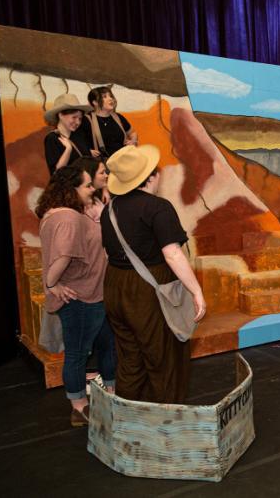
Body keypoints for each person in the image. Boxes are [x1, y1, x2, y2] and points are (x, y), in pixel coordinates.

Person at [100, 145, 206, 404]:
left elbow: (107, 251)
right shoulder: (158, 207)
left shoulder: (109, 209)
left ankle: (130, 415)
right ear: (151, 177)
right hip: (148, 289)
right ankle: (166, 419)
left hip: (115, 285)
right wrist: (196, 291)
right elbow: (173, 254)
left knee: (129, 357)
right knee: (164, 357)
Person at [35, 164, 116, 427]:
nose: (92, 189)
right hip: (81, 298)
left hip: (92, 294)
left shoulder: (55, 214)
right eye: (87, 185)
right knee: (78, 354)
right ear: (71, 189)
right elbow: (63, 255)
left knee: (106, 344)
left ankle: (110, 394)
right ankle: (79, 406)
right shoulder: (69, 217)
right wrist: (51, 283)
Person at [43, 94, 96, 175]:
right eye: (74, 117)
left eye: (80, 119)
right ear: (61, 115)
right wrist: (68, 149)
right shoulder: (52, 138)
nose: (78, 122)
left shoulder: (79, 135)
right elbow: (56, 173)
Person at [82, 86, 138, 159]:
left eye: (110, 96)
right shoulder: (87, 119)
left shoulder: (118, 117)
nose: (110, 99)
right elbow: (78, 139)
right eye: (105, 97)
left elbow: (132, 132)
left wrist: (133, 141)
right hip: (102, 163)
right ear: (95, 102)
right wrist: (87, 151)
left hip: (124, 159)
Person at [74, 156, 110, 222]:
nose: (106, 175)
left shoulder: (95, 195)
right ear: (90, 175)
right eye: (102, 173)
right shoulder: (85, 207)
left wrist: (104, 189)